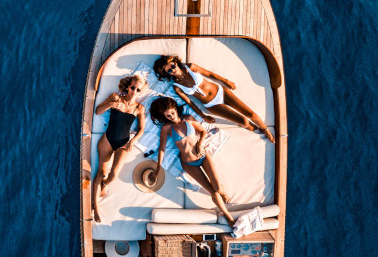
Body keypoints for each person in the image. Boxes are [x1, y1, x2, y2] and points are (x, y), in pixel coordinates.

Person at [149, 96, 235, 226]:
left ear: (175, 109)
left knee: (217, 187)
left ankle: (223, 193)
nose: (171, 117)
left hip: (203, 156)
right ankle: (228, 217)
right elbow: (162, 149)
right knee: (212, 191)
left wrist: (200, 144)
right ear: (164, 117)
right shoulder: (167, 128)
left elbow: (203, 131)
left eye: (172, 113)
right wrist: (157, 168)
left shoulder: (188, 119)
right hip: (189, 164)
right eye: (167, 116)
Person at [153, 55, 274, 143]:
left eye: (172, 66)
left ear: (175, 62)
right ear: (167, 74)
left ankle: (265, 130)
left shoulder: (190, 67)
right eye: (169, 71)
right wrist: (203, 116)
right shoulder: (177, 87)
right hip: (212, 105)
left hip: (221, 92)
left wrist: (226, 81)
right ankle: (255, 129)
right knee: (244, 121)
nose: (172, 70)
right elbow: (190, 102)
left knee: (251, 114)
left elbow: (209, 74)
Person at [91, 75, 147, 223]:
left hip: (124, 143)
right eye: (133, 87)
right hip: (107, 140)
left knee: (114, 175)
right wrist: (112, 105)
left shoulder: (139, 108)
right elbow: (98, 111)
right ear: (128, 87)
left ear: (141, 92)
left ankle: (104, 184)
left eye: (138, 90)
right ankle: (95, 206)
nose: (134, 91)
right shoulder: (116, 98)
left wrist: (133, 141)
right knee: (101, 173)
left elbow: (141, 129)